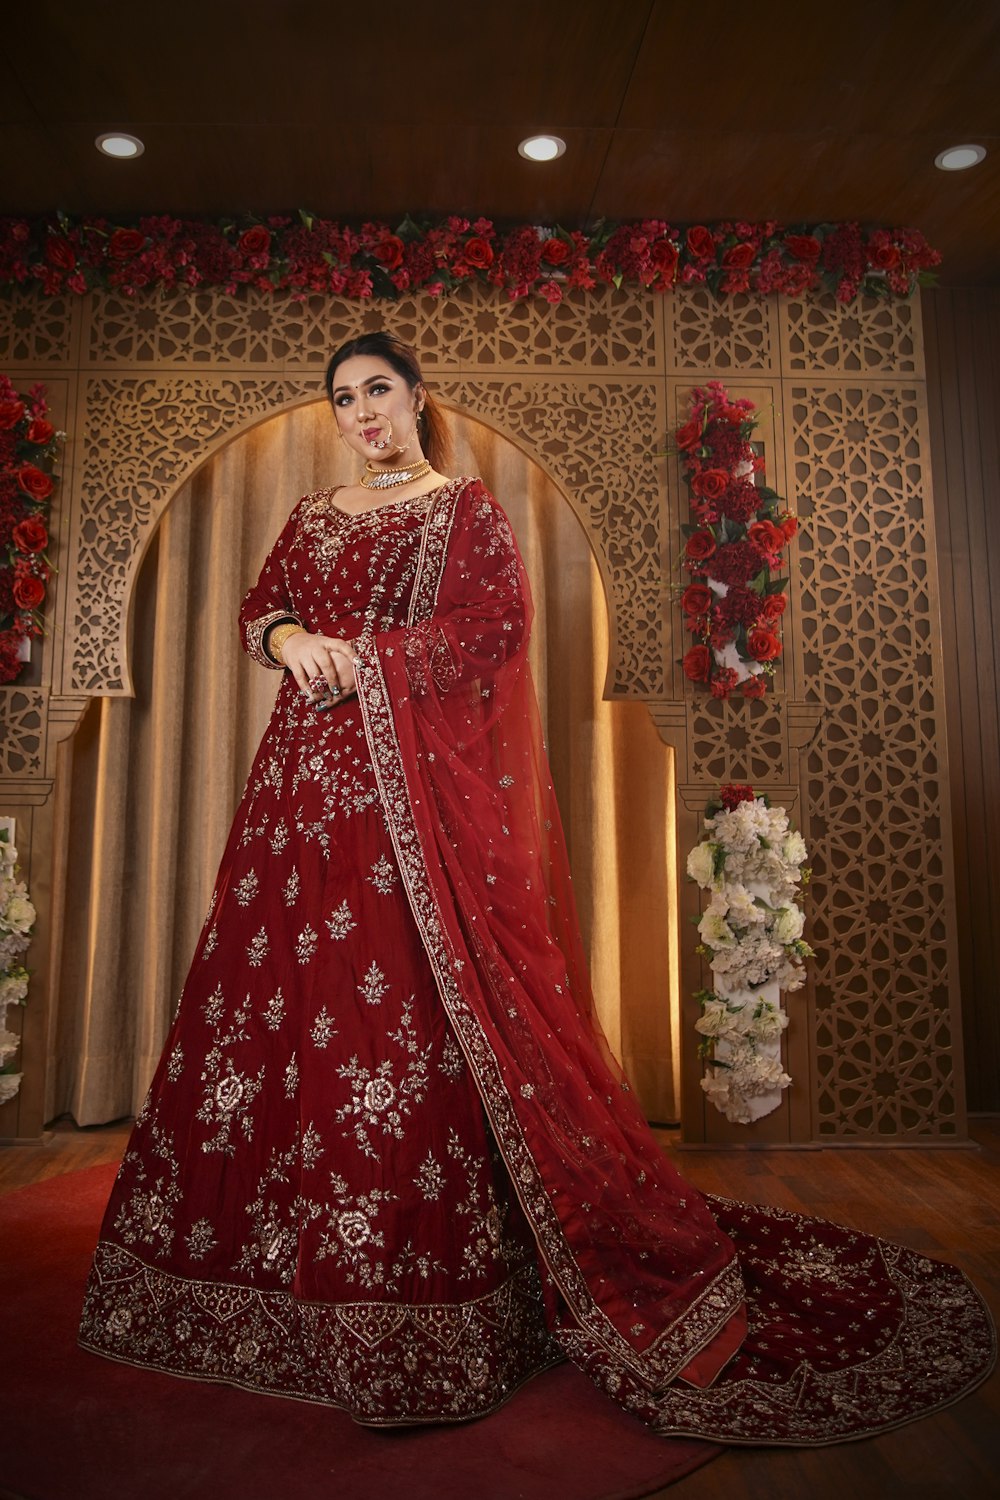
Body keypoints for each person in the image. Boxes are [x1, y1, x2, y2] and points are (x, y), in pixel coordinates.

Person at [79, 333, 993, 1441]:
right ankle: (274, 1269)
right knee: (284, 1021)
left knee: (395, 1030)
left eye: (378, 391)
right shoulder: (313, 516)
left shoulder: (463, 513)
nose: (362, 413)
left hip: (409, 817)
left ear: (417, 399)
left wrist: (361, 657)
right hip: (296, 811)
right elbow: (259, 604)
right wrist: (281, 633)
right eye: (343, 400)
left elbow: (492, 630)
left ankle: (424, 1295)